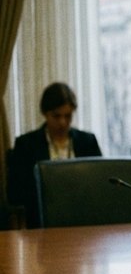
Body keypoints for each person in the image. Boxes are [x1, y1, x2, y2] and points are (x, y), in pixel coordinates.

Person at [7, 82, 102, 228]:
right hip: (42, 221)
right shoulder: (26, 145)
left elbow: (99, 183)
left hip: (83, 219)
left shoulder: (87, 141)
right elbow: (15, 193)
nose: (63, 122)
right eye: (56, 116)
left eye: (68, 116)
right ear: (45, 113)